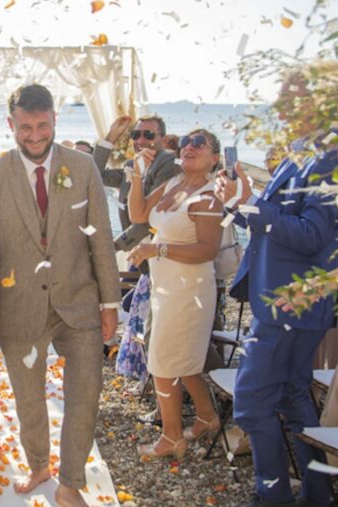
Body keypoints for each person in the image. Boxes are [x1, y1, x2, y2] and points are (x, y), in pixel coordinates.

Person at [0, 83, 121, 507]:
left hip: (80, 302)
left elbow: (101, 240)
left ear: (55, 120)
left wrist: (111, 303)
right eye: (25, 127)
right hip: (16, 310)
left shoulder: (84, 167)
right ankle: (39, 465)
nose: (34, 135)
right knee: (29, 399)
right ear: (11, 125)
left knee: (85, 394)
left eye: (42, 125)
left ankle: (70, 483)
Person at [215, 74, 338, 507]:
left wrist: (249, 204)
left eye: (295, 101)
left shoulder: (328, 160)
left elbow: (312, 235)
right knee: (293, 396)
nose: (284, 110)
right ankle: (316, 494)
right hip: (285, 301)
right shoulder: (301, 155)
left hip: (289, 304)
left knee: (253, 403)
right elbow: (272, 225)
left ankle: (270, 497)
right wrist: (236, 203)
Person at [124, 129, 224, 458]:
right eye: (186, 142)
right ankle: (208, 418)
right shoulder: (173, 184)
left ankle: (172, 438)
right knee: (185, 362)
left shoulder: (209, 197)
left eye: (200, 144)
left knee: (164, 363)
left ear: (214, 158)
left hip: (189, 290)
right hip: (165, 287)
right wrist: (138, 174)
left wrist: (158, 249)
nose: (189, 147)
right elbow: (139, 215)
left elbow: (208, 250)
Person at [92, 114, 180, 257]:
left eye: (149, 135)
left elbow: (150, 215)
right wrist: (111, 138)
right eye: (136, 134)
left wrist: (116, 245)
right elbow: (96, 175)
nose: (141, 140)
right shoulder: (131, 165)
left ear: (163, 140)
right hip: (138, 254)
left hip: (158, 251)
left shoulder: (167, 163)